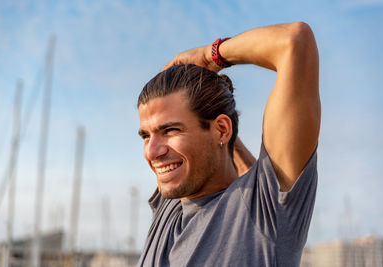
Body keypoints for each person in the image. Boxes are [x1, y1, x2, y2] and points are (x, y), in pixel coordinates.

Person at [137, 22, 320, 267]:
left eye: (170, 130)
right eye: (146, 136)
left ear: (221, 129)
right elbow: (219, 154)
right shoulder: (170, 205)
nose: (152, 151)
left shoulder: (266, 217)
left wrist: (209, 56)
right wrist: (224, 140)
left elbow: (294, 42)